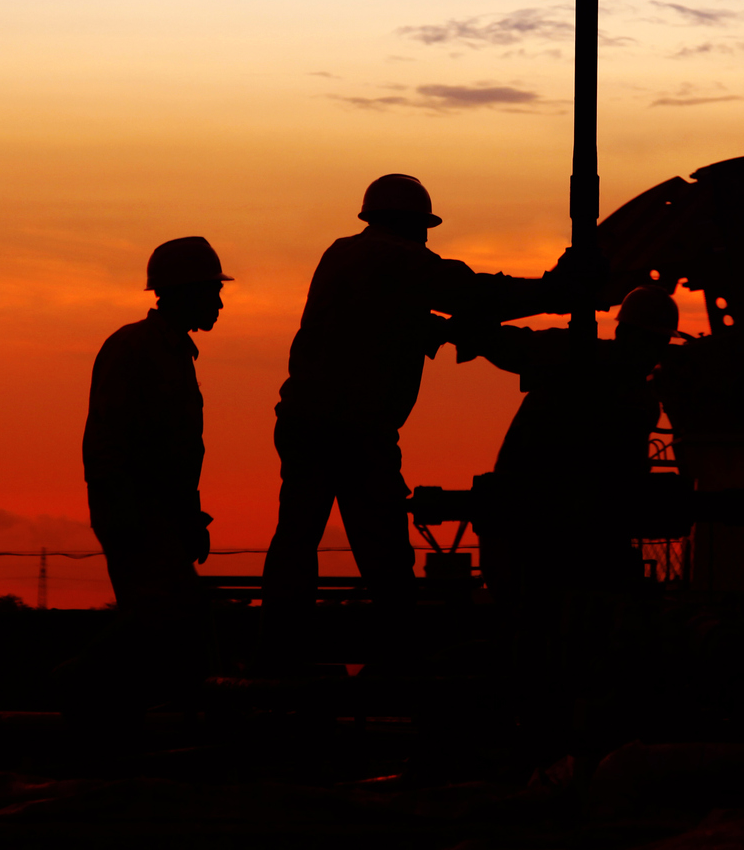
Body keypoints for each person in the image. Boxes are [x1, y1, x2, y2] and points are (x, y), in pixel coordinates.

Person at [263, 174, 591, 657]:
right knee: (384, 549)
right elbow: (468, 292)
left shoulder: (346, 256)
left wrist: (458, 330)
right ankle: (397, 654)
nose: (425, 239)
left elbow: (399, 319)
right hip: (353, 430)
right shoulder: (394, 259)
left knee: (298, 536)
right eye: (423, 229)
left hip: (310, 422)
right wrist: (553, 292)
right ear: (410, 225)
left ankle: (283, 645)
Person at [71, 235, 228, 704]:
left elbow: (177, 454)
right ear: (184, 293)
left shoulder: (175, 354)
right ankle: (76, 687)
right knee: (165, 617)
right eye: (211, 291)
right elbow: (108, 444)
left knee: (173, 621)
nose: (219, 302)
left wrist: (189, 518)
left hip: (159, 517)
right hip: (136, 515)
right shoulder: (134, 349)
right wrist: (127, 518)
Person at [458, 286, 678, 595]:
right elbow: (516, 346)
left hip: (568, 525)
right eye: (652, 341)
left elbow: (629, 473)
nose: (655, 352)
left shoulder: (637, 399)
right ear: (625, 334)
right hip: (527, 515)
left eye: (661, 343)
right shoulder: (578, 359)